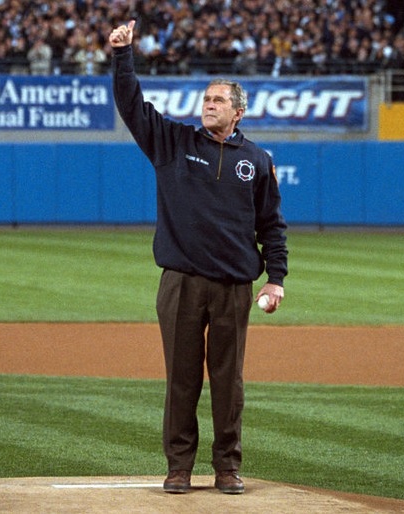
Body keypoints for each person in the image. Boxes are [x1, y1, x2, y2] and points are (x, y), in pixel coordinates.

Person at [109, 20, 288, 495]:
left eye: (218, 100)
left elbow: (271, 225)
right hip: (181, 282)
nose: (208, 105)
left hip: (233, 286)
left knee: (229, 384)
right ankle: (179, 468)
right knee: (182, 381)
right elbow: (131, 106)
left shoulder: (258, 160)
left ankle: (227, 467)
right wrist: (123, 56)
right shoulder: (173, 143)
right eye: (205, 99)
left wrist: (275, 278)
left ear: (238, 111)